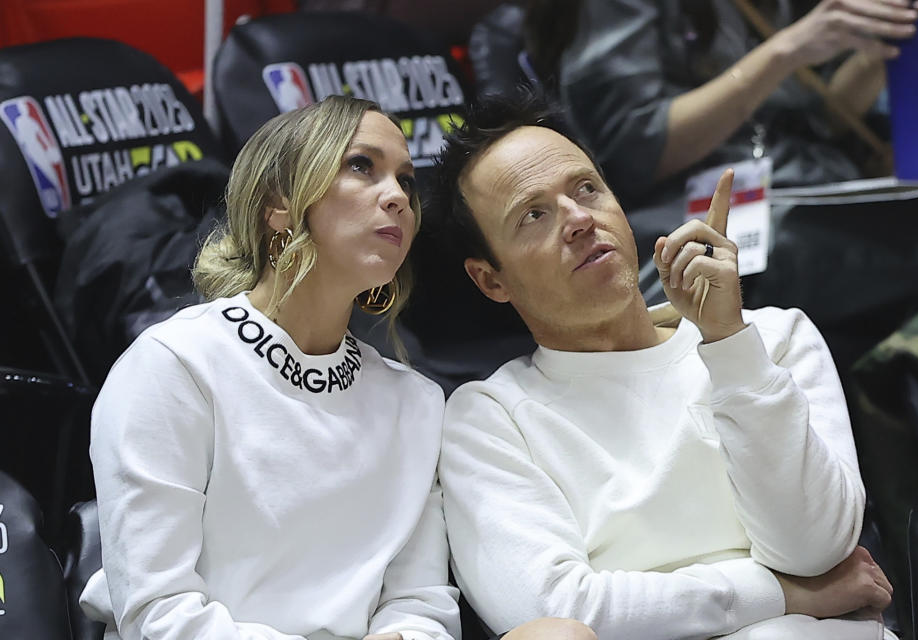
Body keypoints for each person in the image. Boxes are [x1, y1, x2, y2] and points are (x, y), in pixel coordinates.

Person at [76, 95, 593, 640]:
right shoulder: (175, 366)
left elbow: (422, 604)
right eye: (361, 166)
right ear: (278, 204)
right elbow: (157, 614)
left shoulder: (414, 401)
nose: (396, 197)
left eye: (407, 181)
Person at [433, 94, 896, 639]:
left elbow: (815, 546)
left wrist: (728, 344)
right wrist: (785, 595)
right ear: (492, 279)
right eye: (534, 215)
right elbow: (553, 613)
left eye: (587, 190)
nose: (579, 219)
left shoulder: (774, 338)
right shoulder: (490, 418)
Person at [523, 0, 918, 216]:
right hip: (697, 223)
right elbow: (629, 151)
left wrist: (882, 39)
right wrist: (786, 50)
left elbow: (819, 123)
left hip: (807, 190)